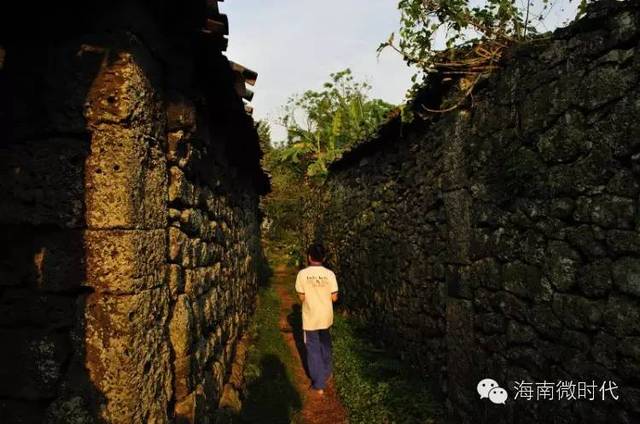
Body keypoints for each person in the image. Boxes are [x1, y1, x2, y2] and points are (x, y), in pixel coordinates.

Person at [295, 243, 339, 395]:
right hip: (326, 317)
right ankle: (327, 372)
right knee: (325, 344)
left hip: (311, 318)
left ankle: (319, 383)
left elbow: (301, 297)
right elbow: (334, 298)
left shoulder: (302, 274)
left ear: (309, 257)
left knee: (313, 348)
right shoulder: (330, 274)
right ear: (324, 258)